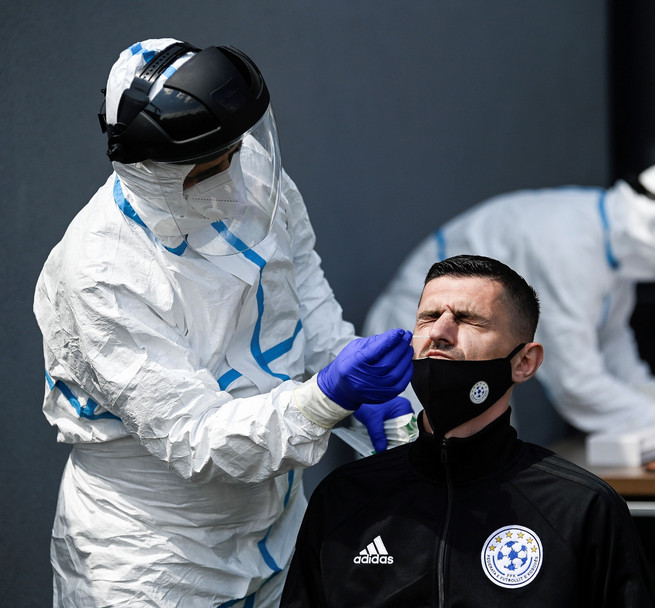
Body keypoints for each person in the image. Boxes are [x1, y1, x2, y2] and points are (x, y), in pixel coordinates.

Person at [33, 38, 415, 607]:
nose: (232, 180)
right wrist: (324, 399)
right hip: (154, 552)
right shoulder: (102, 270)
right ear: (153, 172)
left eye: (233, 152)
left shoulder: (250, 169)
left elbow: (303, 294)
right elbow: (195, 436)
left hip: (278, 519)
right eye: (207, 169)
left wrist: (352, 375)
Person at [280, 254, 655, 607]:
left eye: (468, 319)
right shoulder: (345, 497)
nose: (440, 333)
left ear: (524, 362)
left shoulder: (580, 506)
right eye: (428, 317)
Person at [364, 157, 655, 436]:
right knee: (423, 490)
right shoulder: (570, 245)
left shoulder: (610, 250)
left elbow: (612, 340)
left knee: (475, 474)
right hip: (425, 346)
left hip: (471, 356)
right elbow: (575, 381)